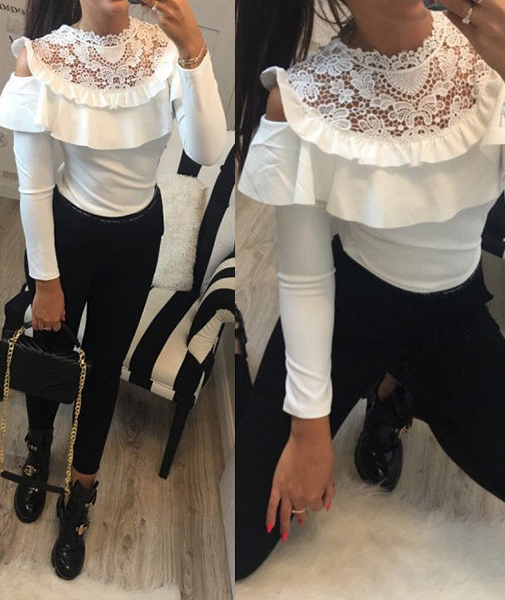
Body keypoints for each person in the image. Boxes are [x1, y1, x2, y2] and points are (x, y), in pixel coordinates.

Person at [235, 0, 505, 581]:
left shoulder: (495, 53)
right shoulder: (300, 97)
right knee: (241, 542)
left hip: (451, 310)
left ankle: (395, 391)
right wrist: (308, 427)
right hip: (351, 305)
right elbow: (304, 275)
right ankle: (377, 378)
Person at [0, 0, 227, 580]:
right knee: (50, 349)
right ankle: (37, 450)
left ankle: (81, 494)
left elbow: (207, 151)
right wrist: (45, 281)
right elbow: (33, 187)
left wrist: (193, 48)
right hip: (67, 234)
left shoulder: (164, 53)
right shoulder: (41, 60)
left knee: (104, 368)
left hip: (137, 238)